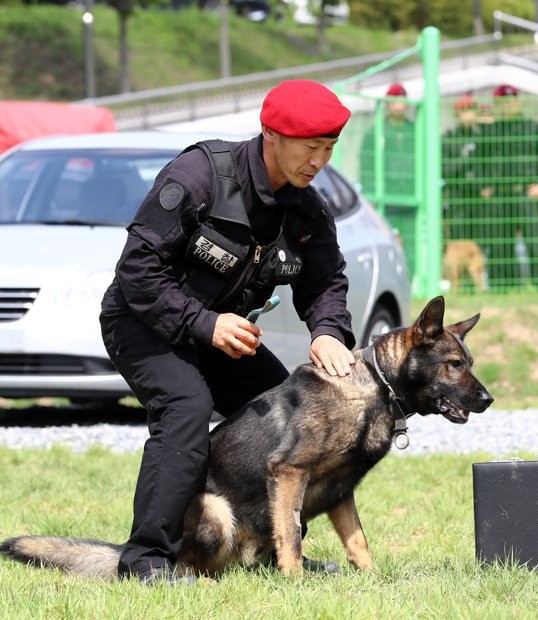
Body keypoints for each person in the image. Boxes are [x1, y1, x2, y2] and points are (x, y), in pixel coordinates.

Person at [98, 79, 358, 584]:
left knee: (290, 413)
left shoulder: (306, 209)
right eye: (310, 147)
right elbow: (137, 269)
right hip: (141, 320)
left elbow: (326, 279)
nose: (319, 161)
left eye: (329, 149)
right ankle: (147, 559)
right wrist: (204, 323)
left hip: (221, 333)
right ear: (270, 134)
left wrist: (328, 331)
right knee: (186, 409)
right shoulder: (199, 176)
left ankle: (272, 549)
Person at [478, 84, 538, 289]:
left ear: (518, 101)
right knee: (500, 248)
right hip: (499, 197)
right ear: (497, 104)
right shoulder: (490, 131)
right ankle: (502, 290)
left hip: (527, 195)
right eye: (503, 101)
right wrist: (484, 186)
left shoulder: (534, 128)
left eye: (512, 100)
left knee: (536, 245)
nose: (508, 104)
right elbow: (477, 161)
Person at [360, 82, 418, 273]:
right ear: (387, 104)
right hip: (385, 197)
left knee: (412, 242)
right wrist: (370, 195)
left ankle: (411, 278)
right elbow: (366, 166)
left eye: (402, 100)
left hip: (411, 195)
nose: (399, 105)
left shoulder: (415, 131)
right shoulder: (374, 133)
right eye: (394, 100)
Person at [442, 93, 485, 242]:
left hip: (479, 199)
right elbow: (445, 171)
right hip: (457, 198)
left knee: (479, 243)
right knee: (459, 243)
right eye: (464, 111)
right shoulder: (449, 138)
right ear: (457, 114)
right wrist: (466, 159)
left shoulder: (483, 137)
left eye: (471, 110)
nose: (468, 115)